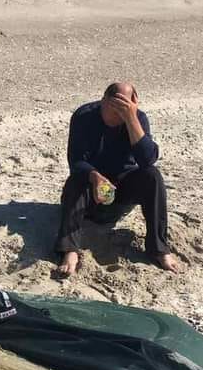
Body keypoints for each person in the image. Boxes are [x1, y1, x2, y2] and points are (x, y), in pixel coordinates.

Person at [55, 82, 181, 276]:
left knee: (153, 176)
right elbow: (76, 161)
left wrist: (131, 119)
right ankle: (70, 250)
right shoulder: (84, 116)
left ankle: (159, 249)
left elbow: (148, 160)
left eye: (123, 110)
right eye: (113, 109)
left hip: (122, 192)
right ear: (104, 100)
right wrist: (95, 176)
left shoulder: (137, 119)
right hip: (89, 193)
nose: (116, 116)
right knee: (76, 180)